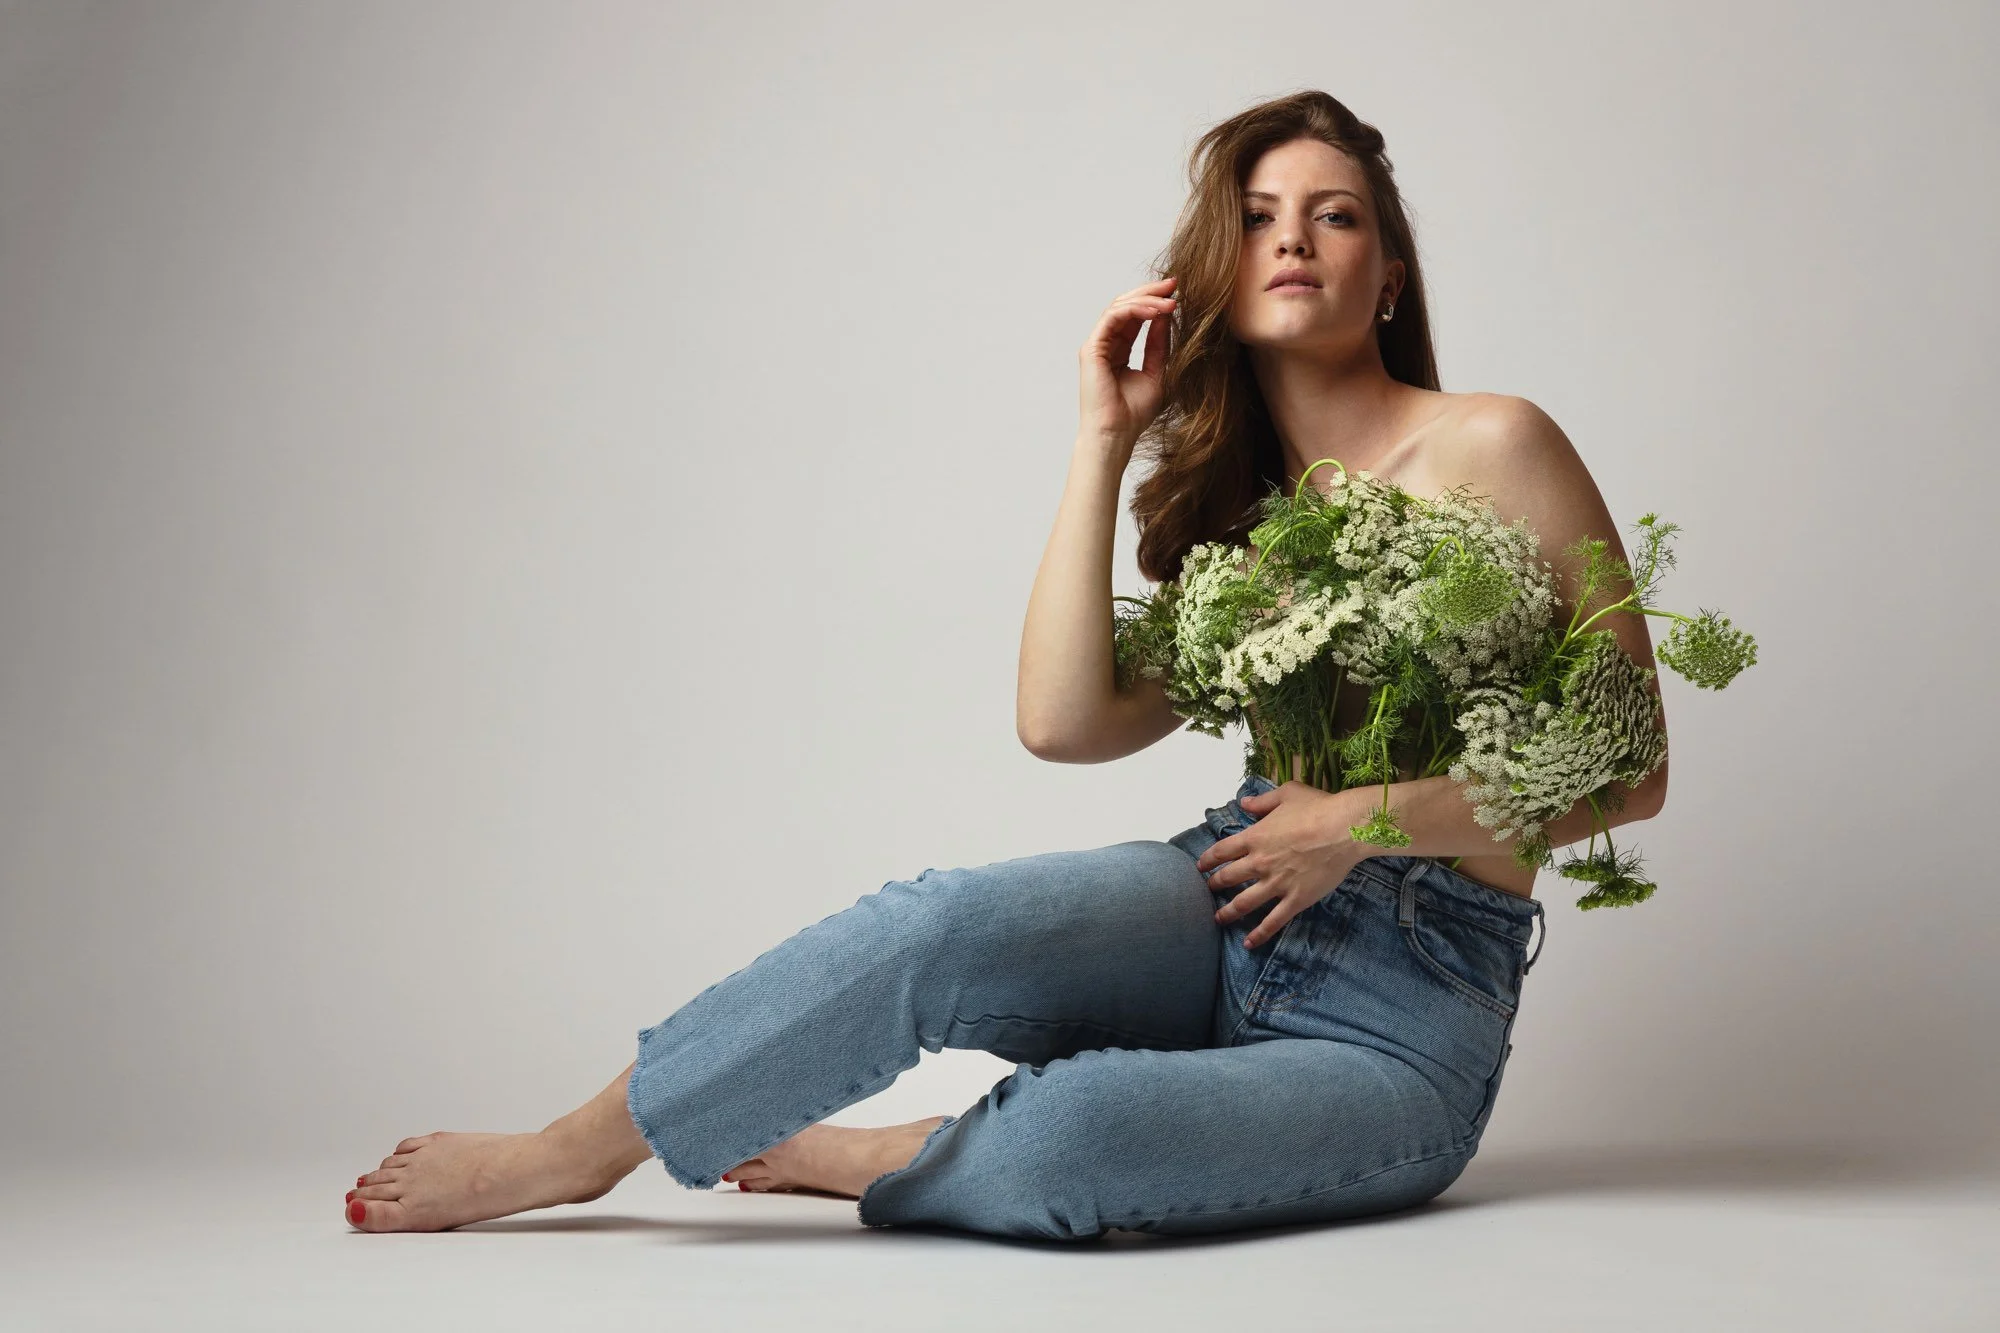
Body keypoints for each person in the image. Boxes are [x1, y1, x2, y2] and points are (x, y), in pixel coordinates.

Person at [343, 90, 1668, 1241]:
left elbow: (1631, 769)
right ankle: (581, 1147)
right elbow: (1061, 722)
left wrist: (1360, 823)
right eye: (1260, 216)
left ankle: (885, 1154)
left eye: (1335, 215)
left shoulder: (1497, 445)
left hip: (1403, 1021)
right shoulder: (1253, 528)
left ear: (1386, 272)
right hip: (1225, 908)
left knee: (1075, 1139)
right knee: (939, 926)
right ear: (1219, 266)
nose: (1294, 241)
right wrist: (1103, 437)